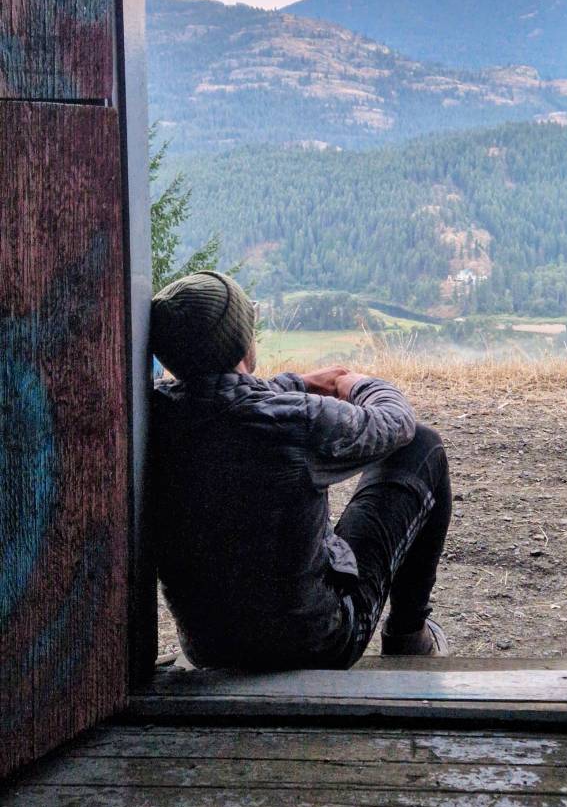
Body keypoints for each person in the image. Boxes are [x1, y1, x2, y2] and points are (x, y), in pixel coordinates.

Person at [149, 270, 452, 670]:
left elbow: (218, 398)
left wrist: (296, 383)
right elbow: (396, 423)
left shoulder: (154, 415)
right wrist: (359, 384)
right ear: (242, 341)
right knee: (423, 446)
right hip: (319, 642)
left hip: (210, 647)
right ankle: (408, 634)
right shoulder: (293, 422)